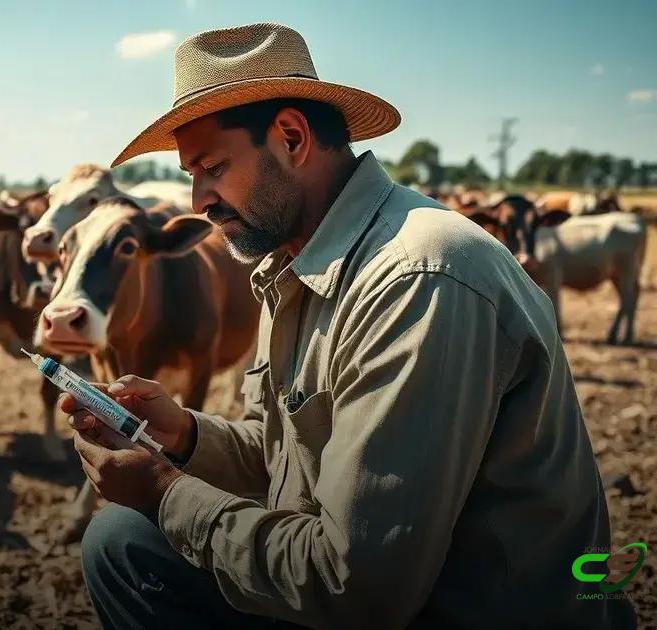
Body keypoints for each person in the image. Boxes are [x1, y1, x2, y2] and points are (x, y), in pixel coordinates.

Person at [61, 22, 635, 629]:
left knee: (126, 540)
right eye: (192, 175)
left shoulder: (416, 281)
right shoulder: (292, 263)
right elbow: (290, 460)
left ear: (290, 137)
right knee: (124, 542)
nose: (198, 200)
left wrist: (165, 490)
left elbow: (358, 587)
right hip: (381, 593)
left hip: (459, 611)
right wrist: (183, 437)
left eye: (212, 167)